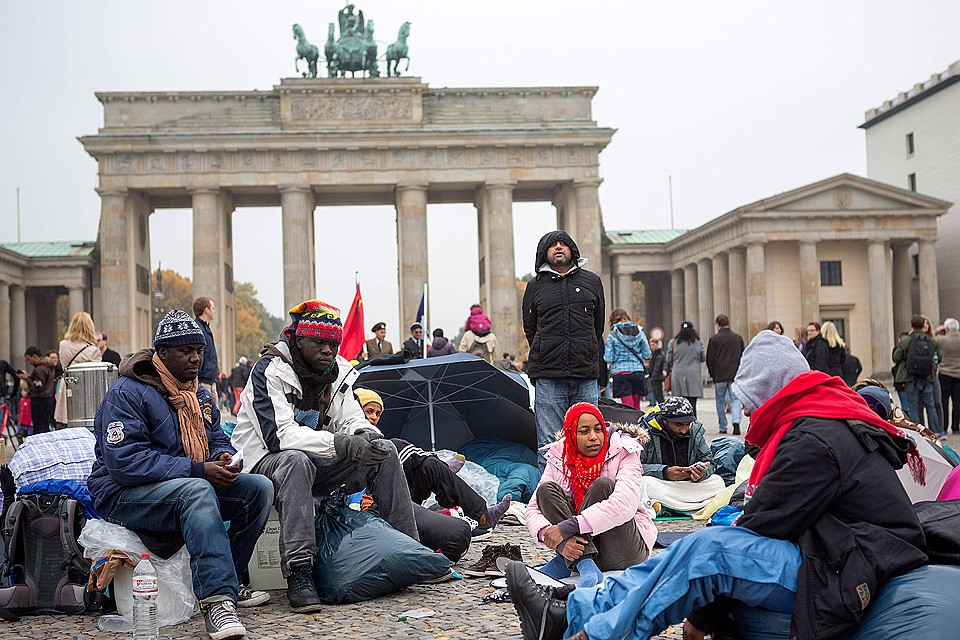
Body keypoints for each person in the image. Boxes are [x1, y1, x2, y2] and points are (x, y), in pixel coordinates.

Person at [506, 330, 928, 640]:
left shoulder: (813, 440)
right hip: (836, 551)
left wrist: (706, 617)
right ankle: (576, 612)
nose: (743, 406)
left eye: (749, 395)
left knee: (707, 550)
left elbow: (755, 531)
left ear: (771, 390)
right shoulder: (816, 421)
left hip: (847, 566)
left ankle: (593, 631)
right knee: (701, 547)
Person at [87, 309, 275, 640]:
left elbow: (215, 436)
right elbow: (125, 462)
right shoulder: (127, 392)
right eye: (185, 351)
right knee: (197, 490)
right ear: (161, 353)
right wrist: (198, 469)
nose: (195, 359)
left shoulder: (199, 393)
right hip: (122, 495)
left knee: (258, 489)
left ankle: (233, 576)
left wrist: (222, 457)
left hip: (182, 485)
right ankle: (218, 602)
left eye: (199, 351)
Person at [231, 299, 418, 614]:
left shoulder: (338, 372)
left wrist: (365, 438)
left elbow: (352, 418)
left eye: (333, 343)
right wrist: (343, 444)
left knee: (385, 452)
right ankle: (300, 571)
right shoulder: (270, 369)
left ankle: (410, 550)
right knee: (295, 460)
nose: (328, 350)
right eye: (319, 342)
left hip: (316, 460)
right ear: (299, 340)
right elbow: (279, 437)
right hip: (264, 464)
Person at [526, 402, 657, 589]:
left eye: (598, 429)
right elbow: (533, 508)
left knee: (603, 486)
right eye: (584, 431)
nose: (594, 437)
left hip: (623, 549)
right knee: (546, 490)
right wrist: (551, 537)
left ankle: (567, 562)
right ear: (571, 435)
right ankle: (583, 562)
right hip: (588, 549)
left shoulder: (625, 450)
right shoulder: (559, 455)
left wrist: (568, 527)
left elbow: (624, 504)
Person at [353, 387, 511, 538]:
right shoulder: (345, 439)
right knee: (395, 446)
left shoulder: (376, 439)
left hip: (397, 497)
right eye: (369, 411)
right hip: (371, 507)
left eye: (378, 413)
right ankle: (442, 467)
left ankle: (482, 516)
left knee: (430, 467)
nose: (374, 417)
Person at [522, 230, 605, 470]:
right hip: (549, 376)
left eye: (563, 243)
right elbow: (531, 328)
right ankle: (553, 498)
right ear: (544, 253)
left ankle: (587, 494)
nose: (558, 247)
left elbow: (597, 326)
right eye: (552, 245)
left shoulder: (591, 281)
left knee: (590, 440)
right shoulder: (535, 285)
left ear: (572, 250)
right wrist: (546, 349)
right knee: (550, 445)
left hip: (585, 375)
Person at [638, 396, 723, 514]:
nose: (684, 430)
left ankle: (664, 506)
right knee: (644, 483)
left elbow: (709, 462)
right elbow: (635, 467)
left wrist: (702, 473)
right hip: (661, 484)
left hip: (687, 485)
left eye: (687, 424)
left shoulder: (694, 431)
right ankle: (692, 506)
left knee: (717, 482)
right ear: (665, 420)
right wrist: (664, 472)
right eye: (679, 425)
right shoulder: (645, 432)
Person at [893, 313, 941, 434]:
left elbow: (896, 357)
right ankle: (934, 431)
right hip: (927, 377)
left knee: (913, 405)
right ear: (924, 326)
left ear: (912, 326)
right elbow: (939, 358)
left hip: (911, 377)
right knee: (930, 405)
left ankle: (917, 432)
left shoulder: (907, 340)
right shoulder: (931, 341)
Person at [55, 311, 102, 427]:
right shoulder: (93, 350)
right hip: (86, 393)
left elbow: (63, 365)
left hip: (66, 386)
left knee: (65, 423)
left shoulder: (63, 345)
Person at [603, 309, 651, 410]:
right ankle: (638, 424)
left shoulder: (612, 335)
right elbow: (647, 354)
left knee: (628, 407)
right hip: (637, 370)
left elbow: (608, 358)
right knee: (637, 406)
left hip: (620, 372)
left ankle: (631, 424)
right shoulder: (639, 331)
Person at [706, 314, 744, 435]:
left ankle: (723, 426)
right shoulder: (738, 338)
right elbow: (743, 356)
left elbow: (710, 359)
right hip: (734, 374)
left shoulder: (714, 339)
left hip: (720, 375)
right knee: (736, 399)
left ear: (717, 325)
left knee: (720, 401)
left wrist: (712, 374)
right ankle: (736, 421)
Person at [665, 321, 705, 418]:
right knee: (692, 404)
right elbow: (703, 358)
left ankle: (679, 423)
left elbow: (668, 359)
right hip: (693, 375)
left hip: (678, 374)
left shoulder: (673, 342)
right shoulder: (697, 342)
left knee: (679, 403)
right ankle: (693, 424)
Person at [17, 347, 56, 434]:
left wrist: (27, 378)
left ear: (34, 356)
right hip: (47, 399)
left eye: (29, 359)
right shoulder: (47, 367)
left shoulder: (40, 369)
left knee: (39, 427)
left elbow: (38, 386)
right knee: (45, 426)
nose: (28, 361)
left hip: (39, 401)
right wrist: (30, 377)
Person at [193, 296, 219, 400]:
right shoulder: (199, 330)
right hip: (203, 380)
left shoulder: (205, 328)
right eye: (212, 308)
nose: (214, 311)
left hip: (209, 379)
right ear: (206, 310)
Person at [939, 317, 960, 435]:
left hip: (945, 373)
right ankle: (956, 427)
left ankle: (944, 426)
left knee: (944, 402)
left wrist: (938, 331)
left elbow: (932, 342)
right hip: (958, 375)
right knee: (957, 402)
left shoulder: (942, 340)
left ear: (947, 328)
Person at [645, 339, 666, 405]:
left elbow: (662, 364)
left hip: (657, 377)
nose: (651, 347)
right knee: (657, 395)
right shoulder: (653, 354)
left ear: (657, 345)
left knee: (659, 395)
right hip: (654, 376)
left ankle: (663, 408)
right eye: (650, 345)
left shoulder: (659, 353)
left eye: (653, 345)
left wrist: (664, 370)